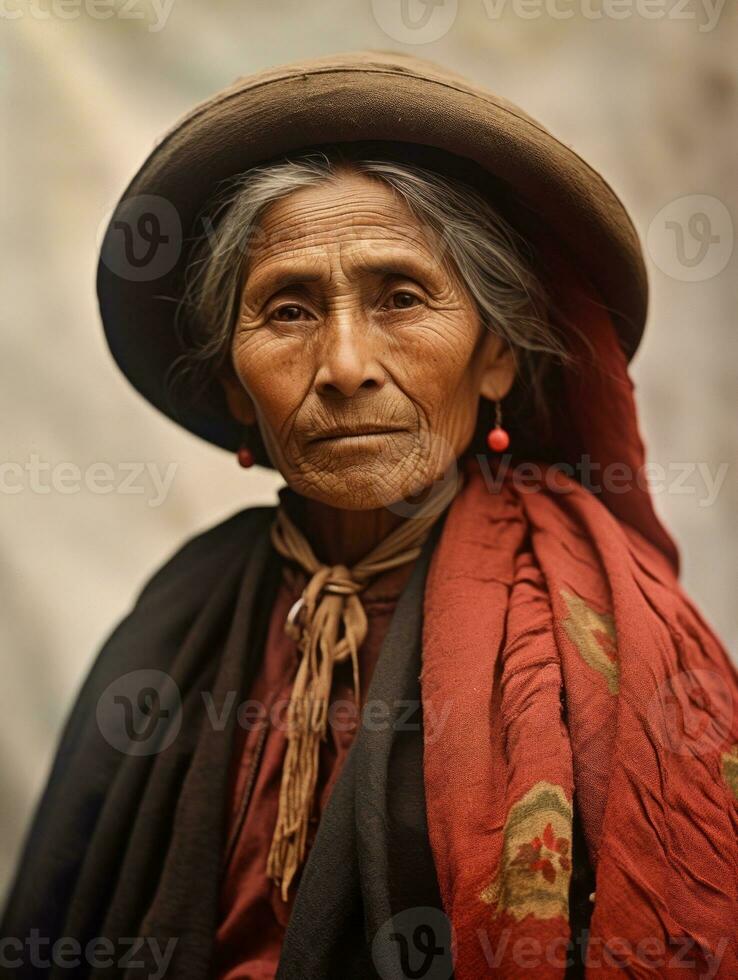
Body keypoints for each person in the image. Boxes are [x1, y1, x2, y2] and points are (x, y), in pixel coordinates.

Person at [3, 52, 736, 980]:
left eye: (401, 297)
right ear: (234, 379)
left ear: (497, 355)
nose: (346, 364)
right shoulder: (179, 618)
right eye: (288, 310)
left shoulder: (604, 625)